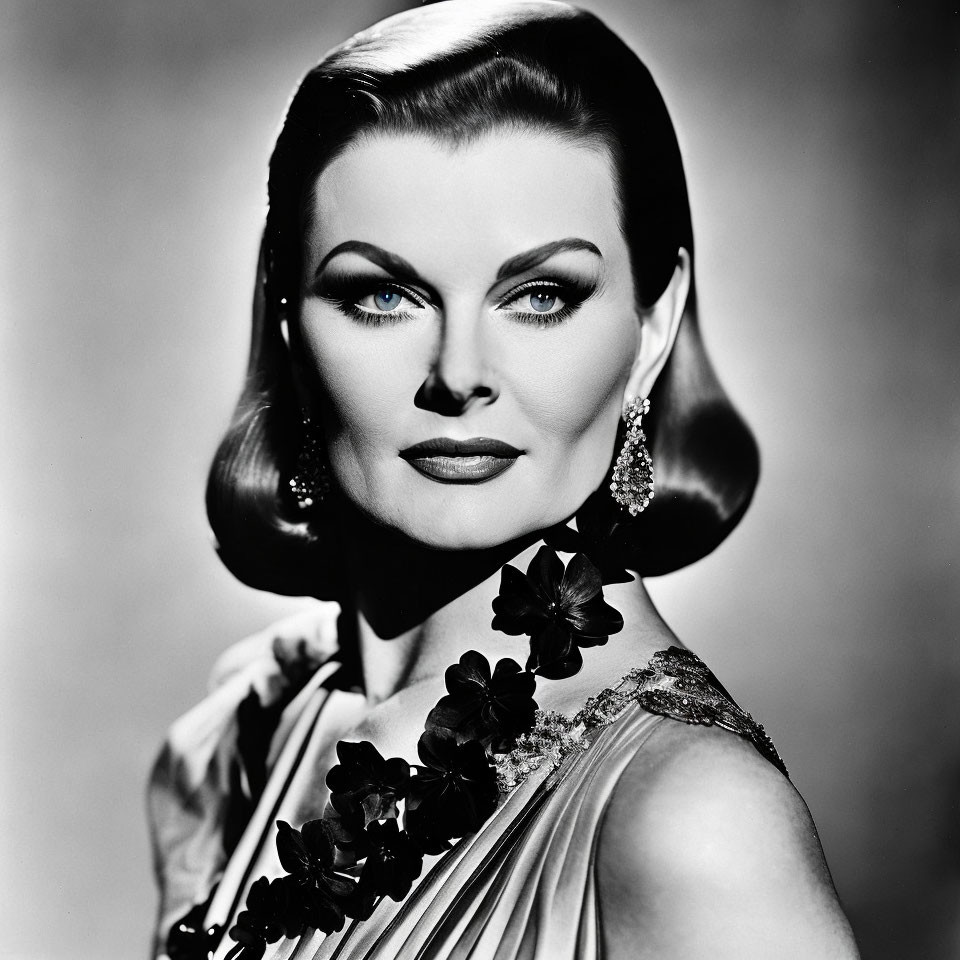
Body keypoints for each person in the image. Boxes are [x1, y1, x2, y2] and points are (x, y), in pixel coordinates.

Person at [148, 3, 860, 958]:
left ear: (653, 326)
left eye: (540, 296)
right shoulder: (248, 732)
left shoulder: (696, 827)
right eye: (380, 294)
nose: (458, 373)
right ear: (289, 323)